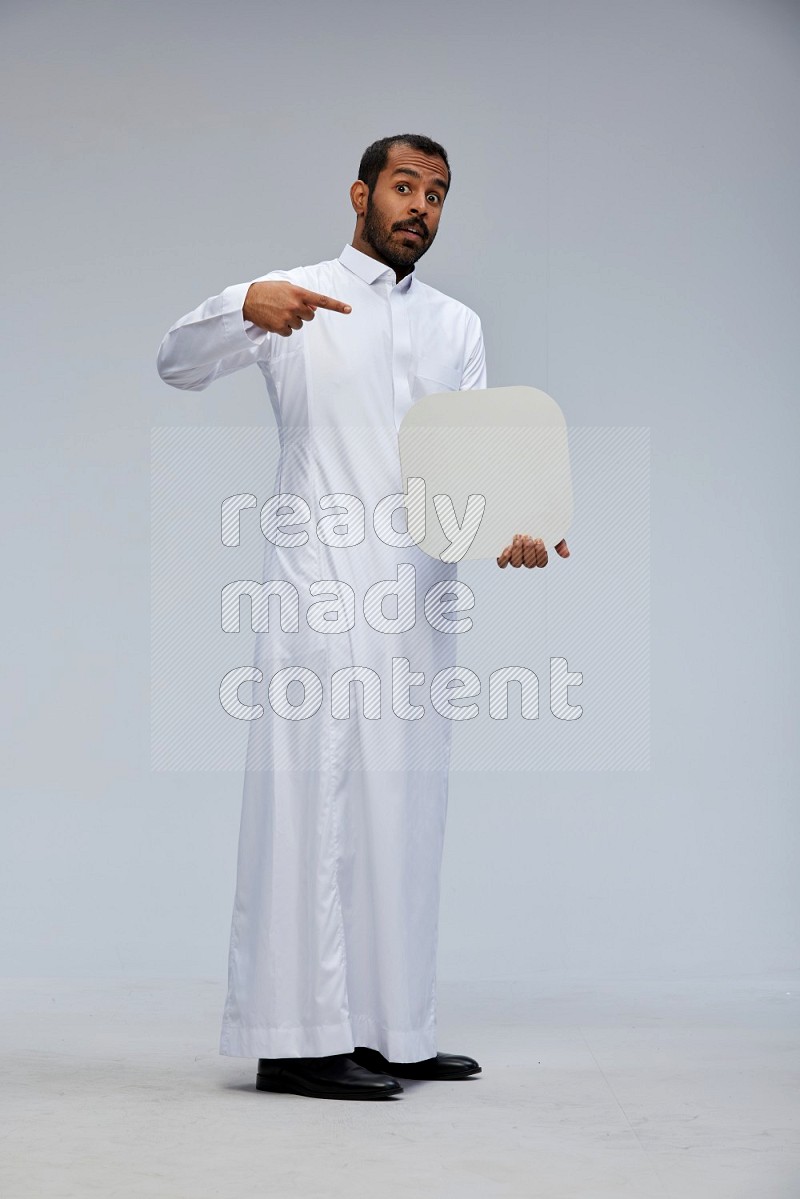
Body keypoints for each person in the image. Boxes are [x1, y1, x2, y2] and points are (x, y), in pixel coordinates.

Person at [157, 133, 570, 1101]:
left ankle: (393, 1028)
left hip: (419, 602)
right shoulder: (290, 295)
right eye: (402, 186)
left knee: (403, 811)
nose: (418, 206)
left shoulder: (456, 327)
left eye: (435, 193)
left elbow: (475, 462)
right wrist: (235, 306)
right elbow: (175, 363)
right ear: (360, 192)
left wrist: (515, 524)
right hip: (318, 589)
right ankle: (295, 1037)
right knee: (310, 805)